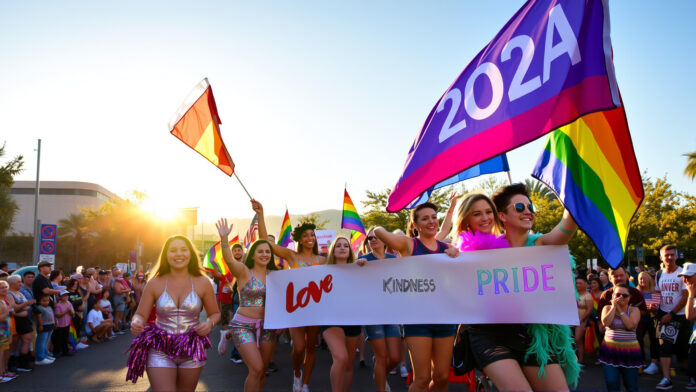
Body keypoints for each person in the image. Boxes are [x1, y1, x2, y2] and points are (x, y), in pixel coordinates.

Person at [489, 183, 580, 390]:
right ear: (502, 216)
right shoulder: (488, 253)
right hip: (500, 339)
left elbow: (566, 228)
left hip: (537, 340)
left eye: (530, 207)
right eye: (520, 208)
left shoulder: (541, 243)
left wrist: (573, 191)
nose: (528, 211)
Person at [373, 202, 459, 392]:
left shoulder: (446, 246)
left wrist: (455, 253)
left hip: (445, 319)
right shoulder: (408, 244)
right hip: (418, 320)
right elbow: (378, 232)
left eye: (434, 217)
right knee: (422, 378)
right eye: (425, 218)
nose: (431, 221)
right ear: (415, 224)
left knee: (442, 377)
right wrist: (377, 227)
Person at [126, 235, 220, 392]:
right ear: (166, 255)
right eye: (173, 250)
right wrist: (136, 322)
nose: (179, 254)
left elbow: (215, 314)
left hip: (191, 350)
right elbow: (140, 314)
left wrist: (209, 323)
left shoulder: (203, 282)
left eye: (184, 250)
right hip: (159, 349)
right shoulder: (154, 282)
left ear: (190, 254)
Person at [251, 199, 325, 392]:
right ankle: (297, 373)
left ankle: (306, 383)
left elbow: (345, 265)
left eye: (313, 235)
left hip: (316, 309)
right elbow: (266, 242)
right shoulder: (293, 257)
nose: (310, 238)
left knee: (310, 348)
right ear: (300, 239)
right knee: (299, 347)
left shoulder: (323, 260)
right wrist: (261, 214)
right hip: (296, 309)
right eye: (306, 235)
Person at [216, 219, 279, 392]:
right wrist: (224, 240)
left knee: (262, 371)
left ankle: (226, 334)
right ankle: (229, 332)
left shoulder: (275, 275)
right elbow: (229, 260)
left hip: (268, 327)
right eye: (260, 251)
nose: (265, 254)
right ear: (252, 254)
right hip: (242, 326)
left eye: (268, 251)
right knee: (256, 368)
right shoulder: (244, 271)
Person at [356, 227, 400, 392]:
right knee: (381, 358)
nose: (373, 240)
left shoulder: (393, 259)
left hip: (391, 314)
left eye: (376, 237)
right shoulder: (363, 260)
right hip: (372, 315)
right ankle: (382, 386)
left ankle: (379, 373)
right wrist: (357, 267)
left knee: (395, 357)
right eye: (370, 238)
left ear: (385, 239)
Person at [321, 237, 361, 392]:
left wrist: (363, 267)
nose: (342, 248)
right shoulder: (322, 271)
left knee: (348, 365)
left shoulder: (359, 268)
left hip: (353, 321)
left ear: (350, 250)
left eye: (346, 245)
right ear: (333, 250)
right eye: (338, 246)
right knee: (341, 357)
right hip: (331, 321)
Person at [655, 244, 690, 390]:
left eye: (672, 254)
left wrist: (672, 314)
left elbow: (685, 296)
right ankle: (666, 378)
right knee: (664, 347)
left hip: (680, 316)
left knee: (684, 351)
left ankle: (691, 377)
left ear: (676, 256)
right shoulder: (658, 274)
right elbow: (657, 294)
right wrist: (653, 306)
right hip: (663, 315)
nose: (669, 257)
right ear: (661, 257)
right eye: (666, 255)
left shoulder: (683, 273)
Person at [599, 283, 642, 391]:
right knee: (612, 382)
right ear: (612, 295)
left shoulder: (634, 310)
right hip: (610, 352)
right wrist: (614, 307)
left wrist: (621, 310)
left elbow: (630, 325)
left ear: (630, 298)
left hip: (630, 353)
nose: (621, 297)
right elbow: (606, 323)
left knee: (631, 386)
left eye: (625, 295)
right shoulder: (607, 308)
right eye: (618, 294)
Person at [6, 275, 35, 372]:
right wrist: (25, 305)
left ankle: (22, 361)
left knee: (27, 340)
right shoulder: (9, 294)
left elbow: (23, 308)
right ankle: (15, 363)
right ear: (12, 283)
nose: (20, 284)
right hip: (17, 321)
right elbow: (13, 308)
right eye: (18, 282)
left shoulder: (19, 293)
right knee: (14, 343)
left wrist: (23, 307)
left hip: (25, 320)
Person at [636, 270, 660, 375]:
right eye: (640, 278)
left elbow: (657, 309)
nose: (642, 280)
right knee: (639, 340)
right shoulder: (636, 292)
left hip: (653, 319)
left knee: (654, 341)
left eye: (644, 278)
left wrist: (653, 308)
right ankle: (641, 361)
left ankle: (654, 363)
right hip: (640, 320)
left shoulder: (654, 291)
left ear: (649, 279)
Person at [678, 262, 696, 390]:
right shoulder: (692, 291)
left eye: (689, 276)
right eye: (683, 276)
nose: (685, 279)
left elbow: (690, 316)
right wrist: (691, 294)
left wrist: (690, 294)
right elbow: (690, 316)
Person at [575, 276, 593, 364]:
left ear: (586, 284)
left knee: (578, 339)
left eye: (580, 283)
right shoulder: (573, 294)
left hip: (581, 321)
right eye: (576, 283)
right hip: (571, 321)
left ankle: (580, 359)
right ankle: (572, 359)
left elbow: (589, 310)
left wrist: (581, 319)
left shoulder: (588, 295)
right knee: (570, 341)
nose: (577, 285)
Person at [52, 290, 75, 357]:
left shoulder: (69, 303)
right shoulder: (58, 305)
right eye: (64, 295)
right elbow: (58, 315)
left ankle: (65, 351)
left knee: (65, 338)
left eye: (67, 295)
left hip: (67, 324)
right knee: (58, 339)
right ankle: (57, 352)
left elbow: (73, 313)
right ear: (60, 297)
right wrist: (66, 311)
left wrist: (70, 311)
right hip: (60, 325)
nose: (66, 297)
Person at [34, 294, 55, 365]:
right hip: (44, 326)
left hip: (50, 325)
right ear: (39, 301)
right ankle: (39, 358)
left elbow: (52, 315)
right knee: (41, 342)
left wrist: (54, 322)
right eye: (44, 301)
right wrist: (40, 325)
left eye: (47, 301)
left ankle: (45, 355)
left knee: (46, 341)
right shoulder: (39, 308)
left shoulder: (49, 307)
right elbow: (39, 317)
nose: (46, 302)